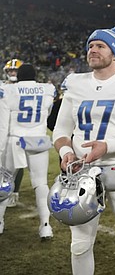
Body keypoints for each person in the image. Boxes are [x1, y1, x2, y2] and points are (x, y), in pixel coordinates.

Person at [52, 27, 115, 275]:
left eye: (100, 46)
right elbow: (60, 130)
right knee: (79, 246)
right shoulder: (75, 83)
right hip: (82, 173)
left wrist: (108, 146)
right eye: (90, 46)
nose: (93, 50)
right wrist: (66, 151)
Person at [0, 63, 56, 239]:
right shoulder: (46, 89)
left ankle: (0, 222)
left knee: (5, 182)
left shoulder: (8, 91)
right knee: (40, 183)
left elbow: (3, 125)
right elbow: (47, 114)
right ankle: (46, 226)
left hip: (14, 139)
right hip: (38, 140)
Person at [1, 58, 25, 208]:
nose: (12, 73)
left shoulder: (24, 88)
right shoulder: (4, 87)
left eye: (15, 70)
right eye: (10, 71)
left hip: (19, 130)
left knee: (18, 163)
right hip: (4, 128)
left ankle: (14, 191)